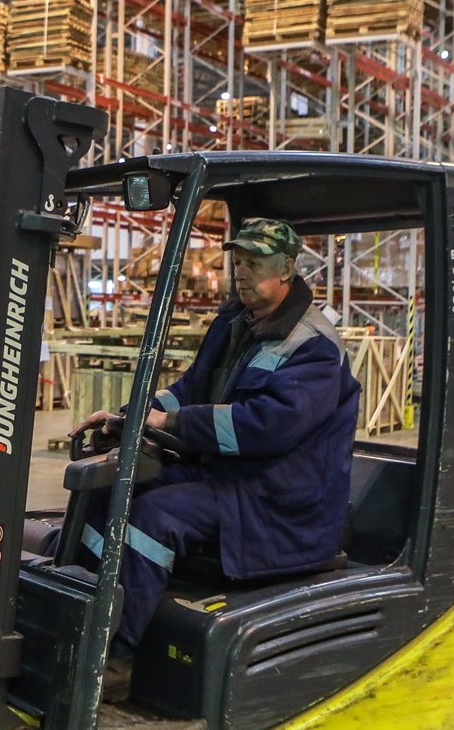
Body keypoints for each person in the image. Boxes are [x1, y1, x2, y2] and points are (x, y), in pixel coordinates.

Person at [64, 218, 360, 701]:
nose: (240, 272)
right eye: (237, 262)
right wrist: (131, 416)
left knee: (152, 518)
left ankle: (114, 662)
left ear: (286, 269)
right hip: (229, 479)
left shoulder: (314, 347)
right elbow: (191, 389)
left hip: (278, 500)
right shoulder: (236, 321)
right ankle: (76, 621)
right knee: (108, 490)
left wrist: (170, 424)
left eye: (254, 263)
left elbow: (264, 426)